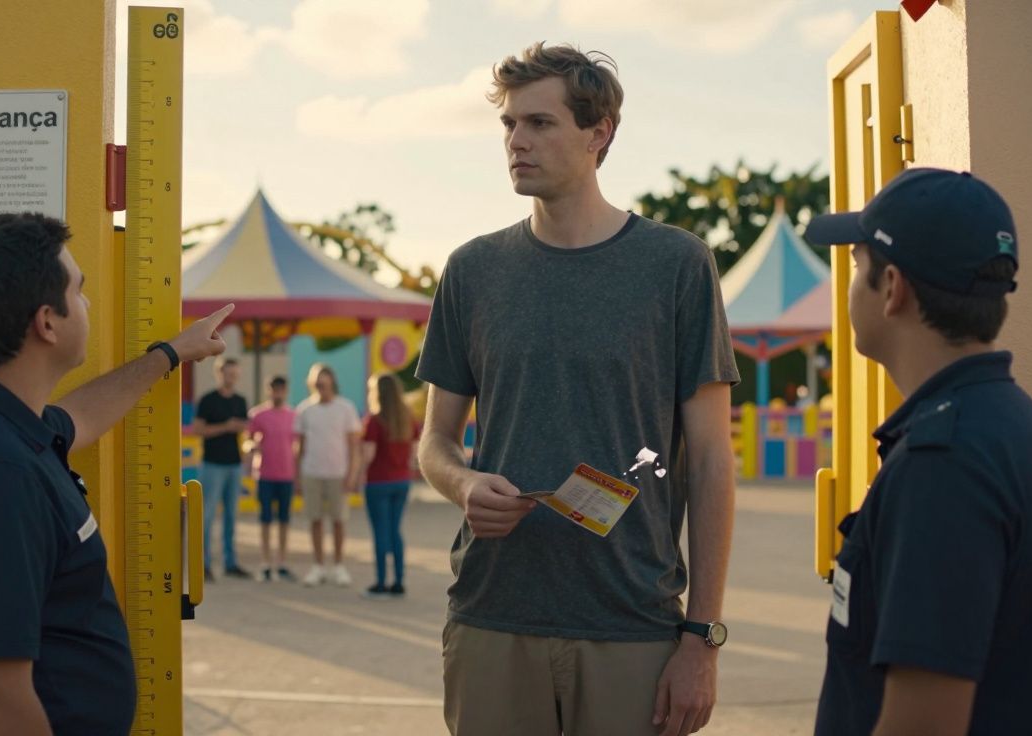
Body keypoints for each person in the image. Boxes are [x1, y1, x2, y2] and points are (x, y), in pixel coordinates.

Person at [416, 43, 739, 736]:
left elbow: (712, 459)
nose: (516, 142)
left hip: (634, 625)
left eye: (539, 123)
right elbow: (434, 442)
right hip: (492, 616)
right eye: (508, 125)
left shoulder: (676, 265)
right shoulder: (472, 270)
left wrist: (701, 635)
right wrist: (464, 485)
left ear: (600, 133)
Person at [0, 212, 233, 735]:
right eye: (79, 291)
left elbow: (79, 418)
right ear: (47, 322)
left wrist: (169, 355)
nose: (89, 304)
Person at [805, 168, 1032, 735]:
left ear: (893, 288)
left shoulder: (943, 463)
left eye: (857, 267)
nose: (850, 285)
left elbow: (923, 724)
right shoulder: (1030, 429)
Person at [295, 363, 362, 587]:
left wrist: (352, 473)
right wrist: (297, 475)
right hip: (311, 472)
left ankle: (339, 566)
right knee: (314, 519)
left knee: (338, 521)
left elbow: (354, 446)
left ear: (332, 381)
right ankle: (318, 566)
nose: (320, 385)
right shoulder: (305, 409)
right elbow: (300, 447)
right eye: (316, 381)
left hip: (338, 473)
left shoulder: (346, 408)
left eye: (324, 381)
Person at [360, 372, 421, 598]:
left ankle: (380, 582)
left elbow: (368, 455)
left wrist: (357, 474)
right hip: (401, 480)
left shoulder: (374, 421)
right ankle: (398, 581)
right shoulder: (408, 418)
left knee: (380, 532)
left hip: (378, 481)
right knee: (395, 531)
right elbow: (414, 454)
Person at [194, 357, 252, 580]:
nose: (232, 378)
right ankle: (204, 564)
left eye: (235, 374)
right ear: (219, 374)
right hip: (212, 465)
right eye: (229, 374)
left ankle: (231, 562)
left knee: (231, 516)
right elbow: (199, 429)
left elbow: (246, 429)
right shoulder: (208, 400)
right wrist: (225, 427)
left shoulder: (240, 400)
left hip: (234, 464)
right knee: (207, 517)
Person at [247, 375, 298, 582]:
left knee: (284, 520)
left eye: (281, 389)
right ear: (269, 390)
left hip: (286, 474)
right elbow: (247, 440)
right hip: (265, 475)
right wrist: (251, 447)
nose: (278, 393)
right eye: (274, 389)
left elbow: (298, 445)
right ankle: (266, 562)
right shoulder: (258, 415)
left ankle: (282, 562)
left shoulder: (293, 416)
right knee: (266, 520)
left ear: (285, 391)